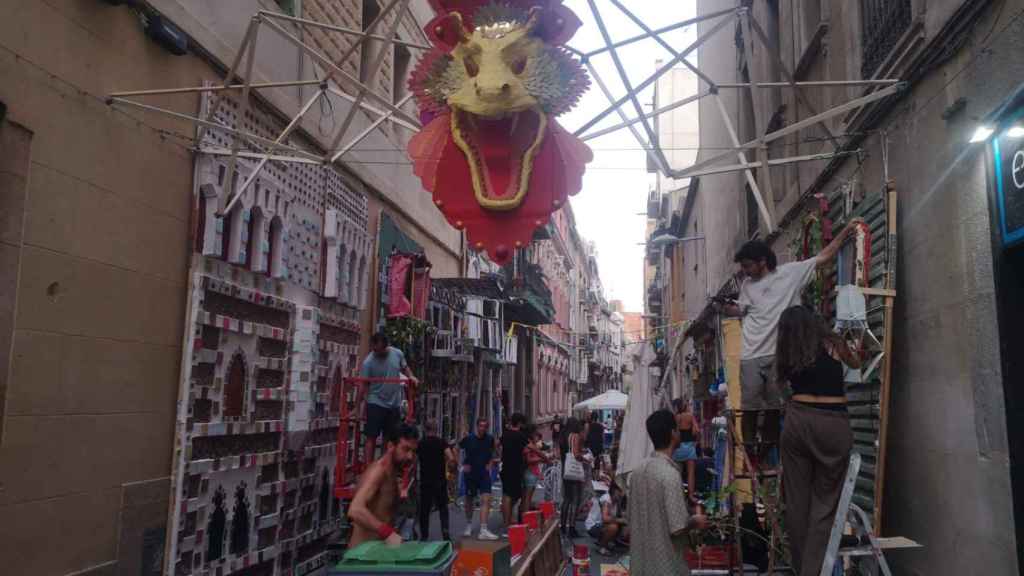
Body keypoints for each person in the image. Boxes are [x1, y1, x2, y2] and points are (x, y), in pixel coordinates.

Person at [719, 219, 862, 449]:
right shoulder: (746, 285)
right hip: (750, 354)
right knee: (750, 407)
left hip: (778, 352)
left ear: (762, 261)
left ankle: (766, 453)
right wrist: (727, 308)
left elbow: (824, 256)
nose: (745, 271)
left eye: (748, 266)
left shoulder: (791, 273)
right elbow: (741, 310)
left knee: (775, 407)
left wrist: (846, 229)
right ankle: (749, 454)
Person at [776, 306, 861, 576]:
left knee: (797, 503)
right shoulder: (831, 343)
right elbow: (856, 363)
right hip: (832, 422)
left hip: (797, 420)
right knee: (824, 503)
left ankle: (802, 568)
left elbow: (780, 389)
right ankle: (812, 572)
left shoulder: (788, 351)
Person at [629, 409, 708, 576]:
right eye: (678, 429)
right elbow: (678, 527)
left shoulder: (637, 472)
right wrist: (695, 520)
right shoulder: (670, 475)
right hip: (665, 566)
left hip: (640, 565)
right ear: (673, 433)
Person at [347, 423, 420, 549]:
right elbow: (355, 510)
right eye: (406, 449)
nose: (410, 456)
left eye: (413, 451)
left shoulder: (392, 473)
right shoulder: (378, 471)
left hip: (376, 555)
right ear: (391, 446)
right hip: (361, 559)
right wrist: (388, 533)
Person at [358, 332, 420, 467]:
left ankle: (385, 465)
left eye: (378, 350)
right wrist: (358, 406)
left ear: (386, 347)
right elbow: (363, 385)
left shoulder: (397, 354)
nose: (376, 352)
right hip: (375, 401)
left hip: (394, 403)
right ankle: (369, 466)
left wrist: (412, 376)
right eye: (374, 349)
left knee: (390, 436)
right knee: (371, 435)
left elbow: (405, 368)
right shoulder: (368, 362)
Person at [459, 418, 499, 540]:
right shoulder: (469, 438)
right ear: (477, 426)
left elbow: (494, 452)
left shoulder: (490, 439)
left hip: (484, 473)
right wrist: (460, 465)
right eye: (480, 426)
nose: (482, 429)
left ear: (487, 428)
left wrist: (491, 464)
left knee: (486, 499)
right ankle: (469, 524)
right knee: (469, 500)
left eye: (485, 426)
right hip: (470, 473)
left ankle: (483, 529)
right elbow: (456, 449)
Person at [417, 420, 455, 541]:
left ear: (425, 429)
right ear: (436, 429)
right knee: (443, 508)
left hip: (425, 481)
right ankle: (445, 533)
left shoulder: (420, 444)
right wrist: (451, 469)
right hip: (439, 481)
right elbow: (451, 458)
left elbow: (412, 461)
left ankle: (424, 536)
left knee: (425, 509)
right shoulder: (441, 443)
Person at [499, 413, 530, 530]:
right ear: (520, 423)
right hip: (515, 468)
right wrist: (545, 457)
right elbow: (531, 447)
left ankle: (507, 519)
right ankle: (507, 523)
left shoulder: (505, 434)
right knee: (509, 495)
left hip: (506, 467)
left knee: (512, 494)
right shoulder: (520, 435)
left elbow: (497, 444)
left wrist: (500, 455)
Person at [586, 482, 629, 556]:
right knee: (613, 527)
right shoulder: (606, 499)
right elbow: (605, 518)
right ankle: (602, 547)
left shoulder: (617, 500)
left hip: (602, 524)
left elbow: (620, 515)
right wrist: (620, 520)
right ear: (615, 490)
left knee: (622, 525)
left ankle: (604, 541)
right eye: (621, 491)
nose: (622, 493)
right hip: (593, 526)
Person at [672, 398, 701, 505]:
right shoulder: (690, 416)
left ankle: (677, 495)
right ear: (684, 406)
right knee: (691, 473)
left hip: (677, 447)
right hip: (689, 447)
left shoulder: (675, 417)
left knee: (676, 473)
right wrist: (696, 442)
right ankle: (691, 495)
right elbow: (697, 430)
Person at [560, 417, 585, 537]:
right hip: (574, 471)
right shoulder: (575, 436)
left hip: (566, 469)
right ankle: (572, 528)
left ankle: (563, 526)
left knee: (567, 498)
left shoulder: (563, 435)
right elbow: (576, 454)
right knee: (576, 500)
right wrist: (585, 458)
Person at [523, 427, 550, 513]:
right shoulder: (528, 446)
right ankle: (526, 515)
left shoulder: (533, 445)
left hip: (533, 472)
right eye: (536, 436)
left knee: (528, 497)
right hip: (529, 472)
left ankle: (526, 514)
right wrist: (541, 459)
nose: (538, 438)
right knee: (527, 497)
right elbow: (528, 460)